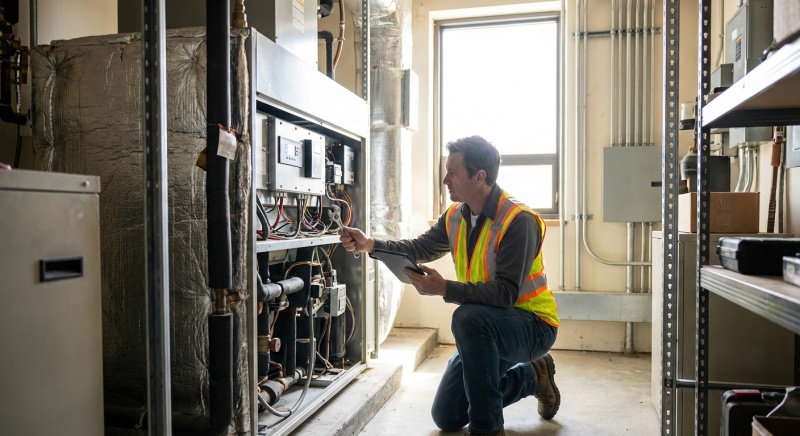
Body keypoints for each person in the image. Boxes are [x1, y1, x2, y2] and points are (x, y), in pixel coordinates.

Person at [339, 135, 560, 436]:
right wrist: (370, 244)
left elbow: (506, 293)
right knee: (447, 415)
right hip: (487, 328)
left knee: (468, 317)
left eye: (452, 172)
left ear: (479, 176)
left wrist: (444, 288)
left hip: (532, 327)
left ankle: (487, 428)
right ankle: (533, 377)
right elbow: (418, 247)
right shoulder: (456, 216)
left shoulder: (518, 221)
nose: (445, 179)